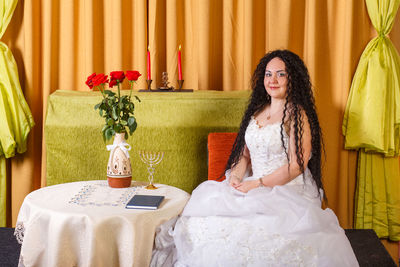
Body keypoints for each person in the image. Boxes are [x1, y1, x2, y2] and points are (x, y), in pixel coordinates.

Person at [151, 50, 359, 267]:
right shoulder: (258, 111)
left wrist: (257, 184)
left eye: (281, 74)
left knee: (257, 234)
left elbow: (297, 166)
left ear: (293, 79)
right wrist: (237, 176)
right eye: (268, 74)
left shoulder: (297, 115)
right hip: (250, 184)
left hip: (286, 191)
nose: (273, 80)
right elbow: (245, 154)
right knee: (203, 222)